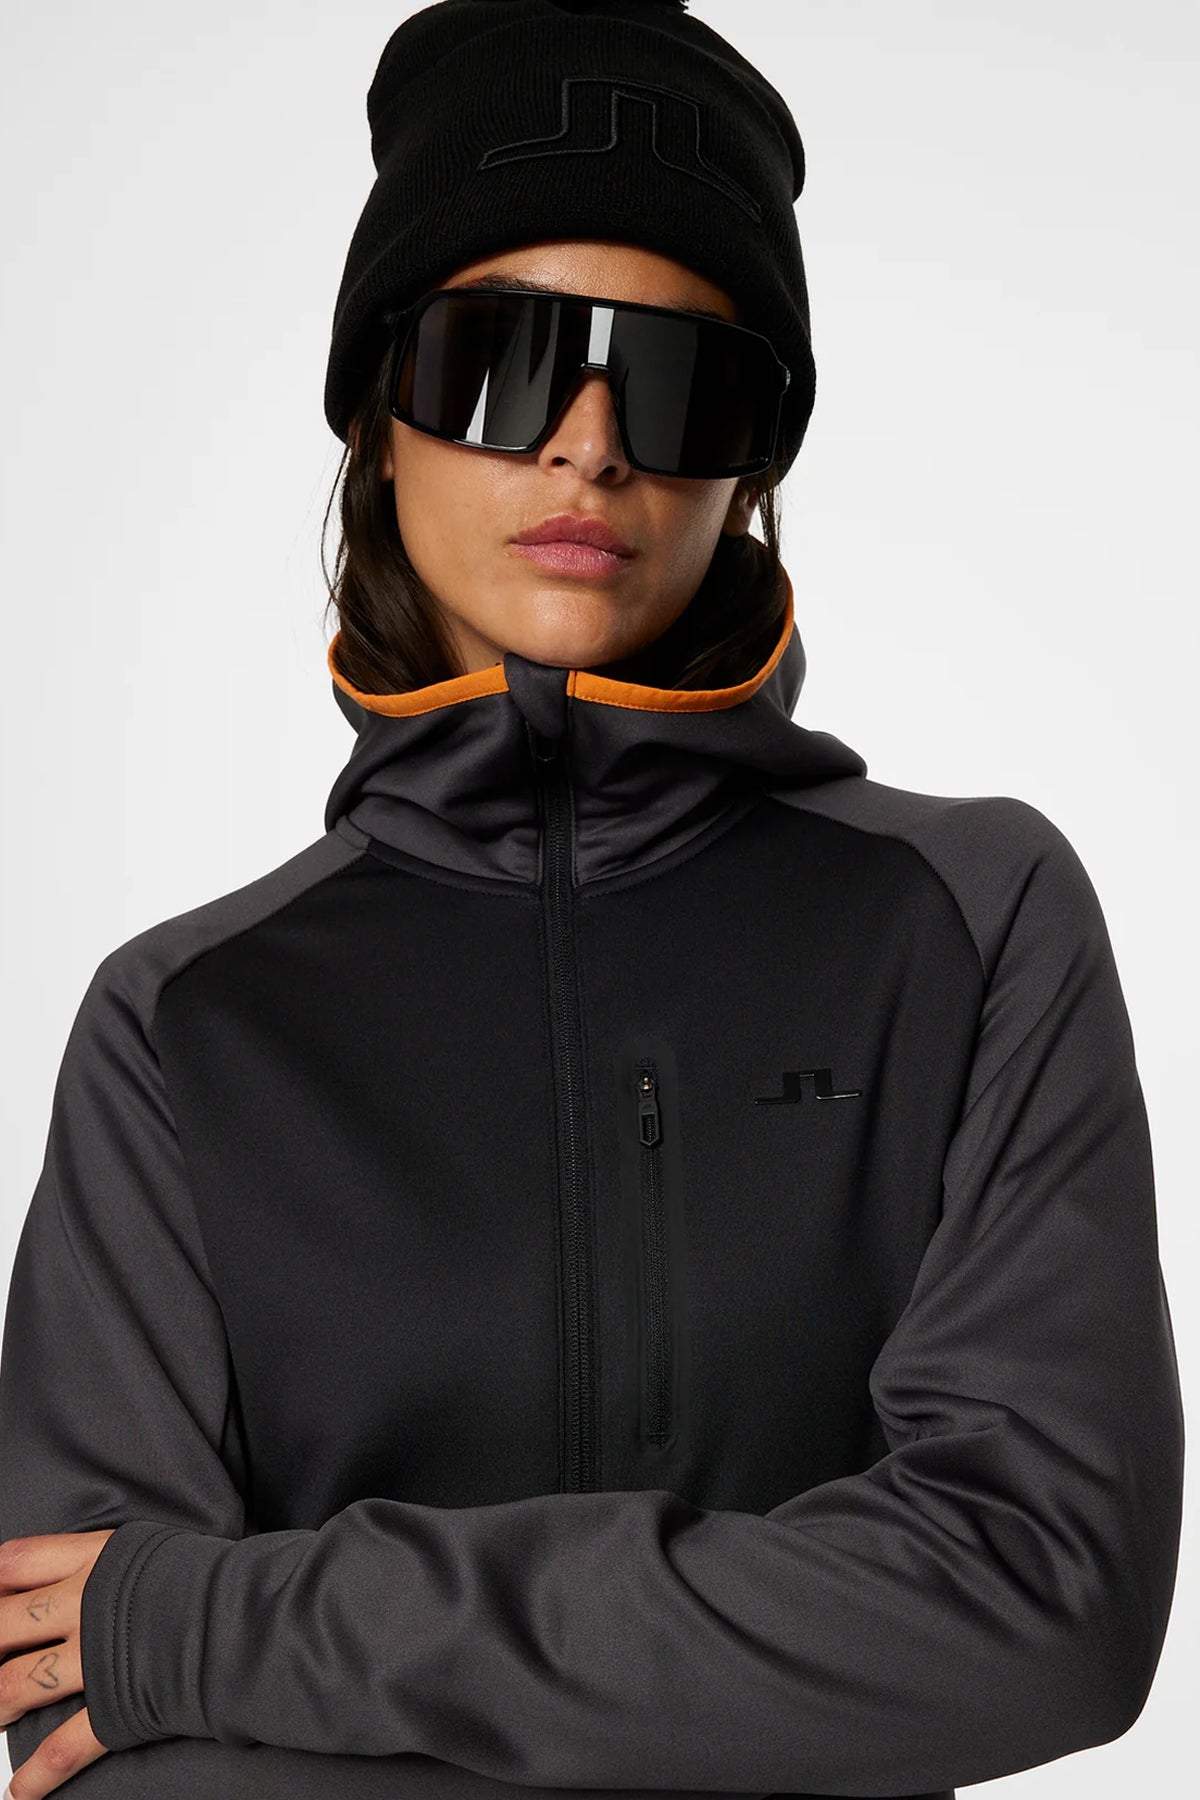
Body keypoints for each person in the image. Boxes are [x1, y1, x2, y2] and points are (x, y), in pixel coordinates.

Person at [0, 4, 1184, 1799]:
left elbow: (1043, 1598)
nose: (589, 446)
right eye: (499, 358)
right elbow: (89, 1732)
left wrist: (240, 1628)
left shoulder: (969, 920)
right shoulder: (183, 1026)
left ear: (752, 464)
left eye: (682, 383)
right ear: (376, 418)